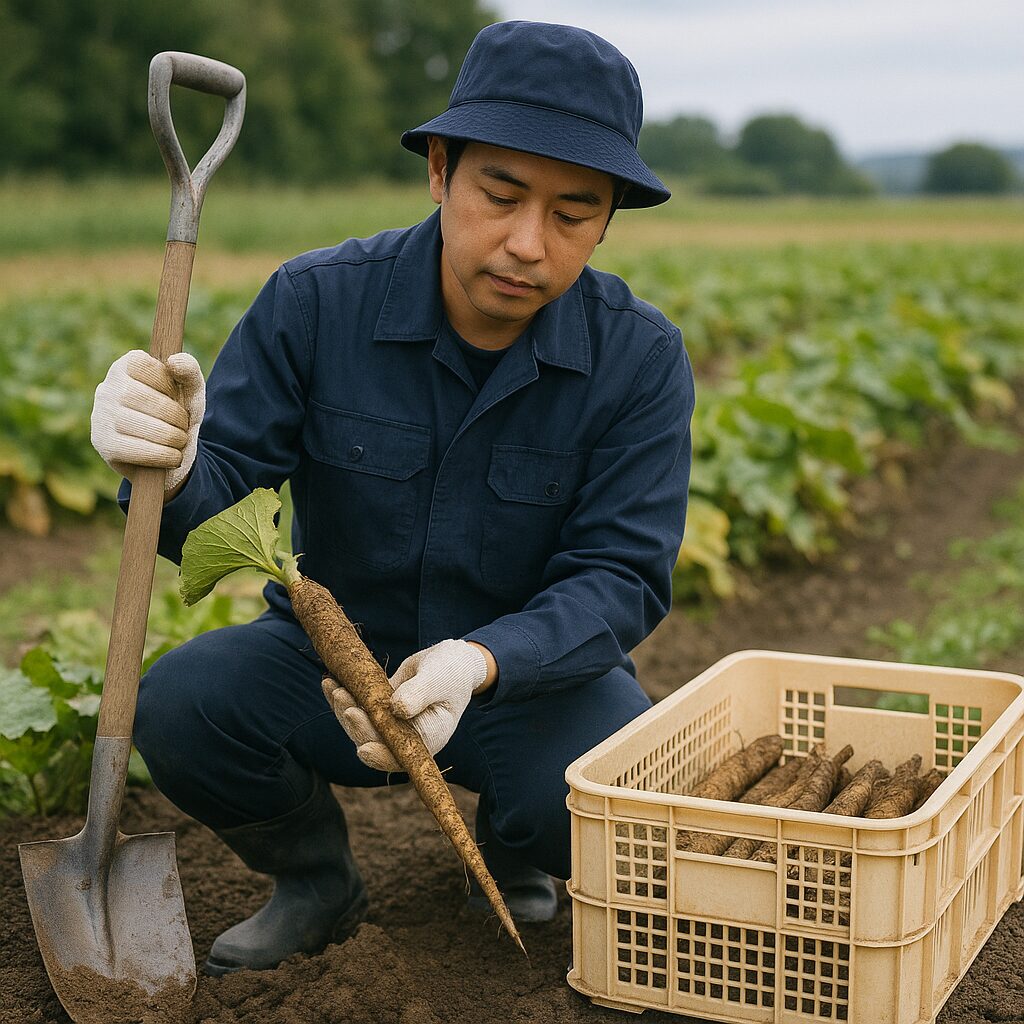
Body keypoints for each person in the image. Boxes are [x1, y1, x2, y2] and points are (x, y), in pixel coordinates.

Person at [90, 20, 695, 976]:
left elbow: (621, 578)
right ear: (441, 171)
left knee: (610, 796)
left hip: (525, 685)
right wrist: (161, 459)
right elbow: (208, 517)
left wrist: (482, 661)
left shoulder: (641, 360)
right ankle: (317, 881)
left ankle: (510, 841)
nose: (528, 245)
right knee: (186, 707)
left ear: (609, 218)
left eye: (573, 214)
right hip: (332, 665)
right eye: (500, 194)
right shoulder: (315, 303)